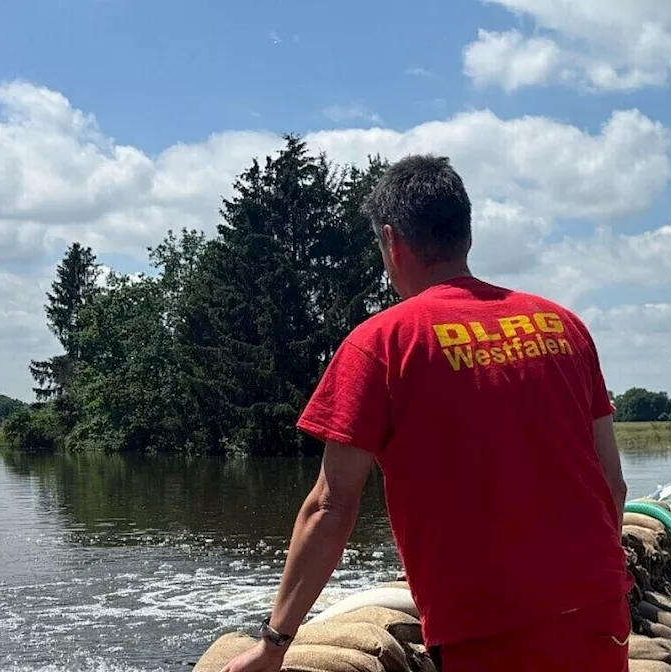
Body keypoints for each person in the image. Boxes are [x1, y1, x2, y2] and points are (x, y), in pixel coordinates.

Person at [221, 154, 634, 672]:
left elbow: (331, 508)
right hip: (598, 605)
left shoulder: (383, 343)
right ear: (466, 235)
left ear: (392, 242)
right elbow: (612, 485)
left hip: (488, 627)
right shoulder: (563, 327)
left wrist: (274, 643)